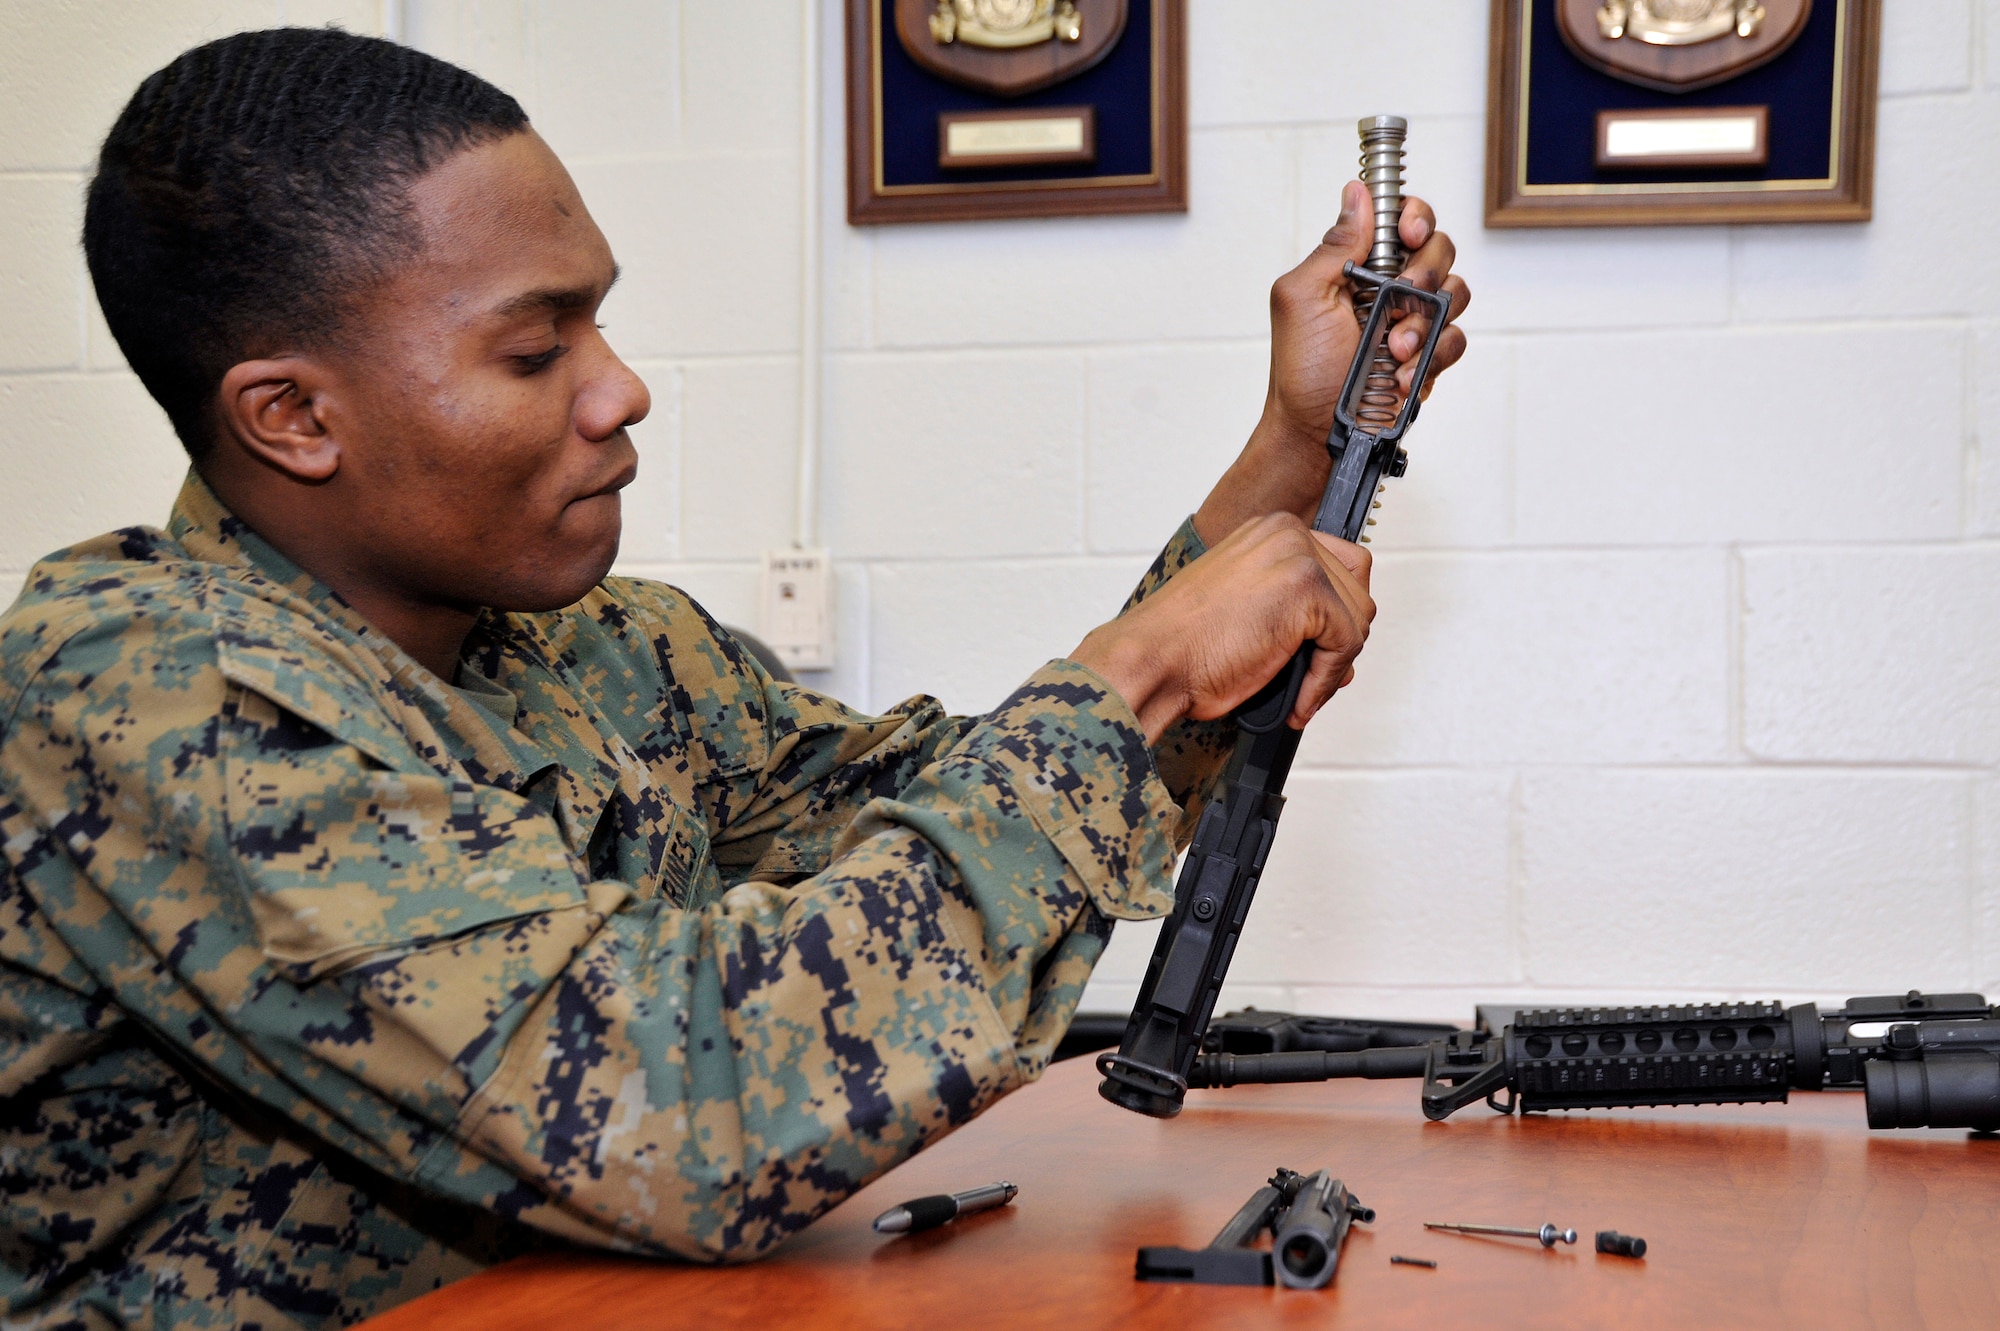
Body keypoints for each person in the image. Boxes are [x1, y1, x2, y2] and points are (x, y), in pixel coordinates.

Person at [0, 27, 1468, 1331]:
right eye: (534, 347)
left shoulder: (594, 644)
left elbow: (938, 828)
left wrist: (1291, 452)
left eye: (597, 317)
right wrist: (1136, 673)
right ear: (294, 416)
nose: (619, 386)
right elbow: (687, 1112)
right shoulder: (142, 695)